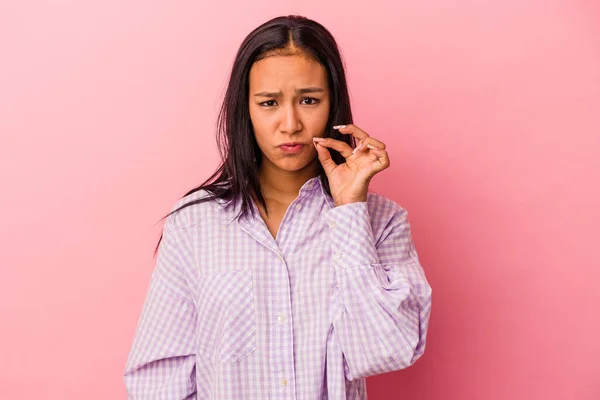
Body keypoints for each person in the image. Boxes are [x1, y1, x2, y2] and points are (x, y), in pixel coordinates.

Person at [123, 14, 432, 400]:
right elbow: (158, 379)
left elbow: (383, 351)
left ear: (333, 105)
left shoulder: (381, 221)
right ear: (246, 110)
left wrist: (349, 210)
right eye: (269, 102)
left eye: (308, 100)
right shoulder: (195, 223)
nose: (290, 124)